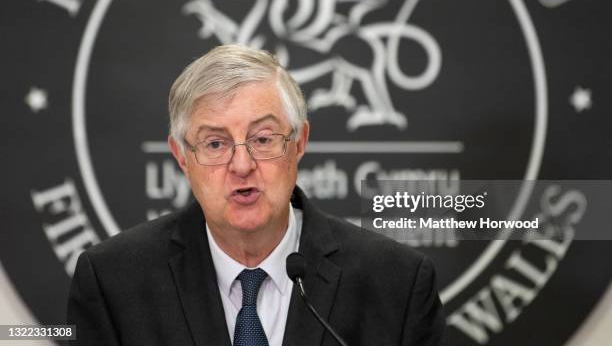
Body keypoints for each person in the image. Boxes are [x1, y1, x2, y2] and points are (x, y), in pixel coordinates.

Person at [67, 44, 446, 345]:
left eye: (263, 139)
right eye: (215, 144)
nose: (242, 165)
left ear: (299, 143)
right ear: (182, 156)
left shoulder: (397, 284)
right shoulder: (114, 283)